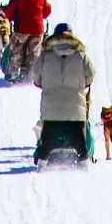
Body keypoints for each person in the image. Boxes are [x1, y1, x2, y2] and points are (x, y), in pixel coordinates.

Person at [34, 22, 96, 163]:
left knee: (48, 135)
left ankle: (43, 160)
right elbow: (91, 74)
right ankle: (84, 160)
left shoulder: (45, 55)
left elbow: (35, 76)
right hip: (75, 108)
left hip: (51, 108)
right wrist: (82, 84)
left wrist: (43, 83)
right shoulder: (81, 55)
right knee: (79, 136)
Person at [1, 0, 51, 81]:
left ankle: (13, 75)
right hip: (38, 30)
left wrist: (12, 16)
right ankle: (30, 77)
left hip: (21, 30)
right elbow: (47, 11)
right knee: (33, 54)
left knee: (16, 52)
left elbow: (9, 12)